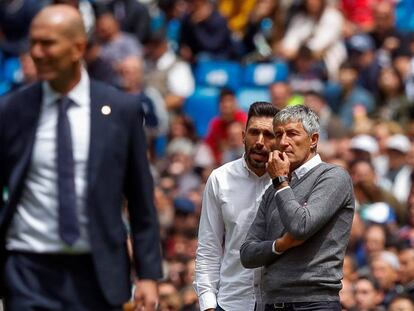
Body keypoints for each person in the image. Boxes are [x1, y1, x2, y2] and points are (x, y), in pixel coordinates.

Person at [0, 4, 162, 310]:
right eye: (32, 42)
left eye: (47, 43)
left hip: (98, 273)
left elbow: (141, 199)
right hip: (27, 271)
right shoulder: (11, 110)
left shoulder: (121, 110)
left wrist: (149, 275)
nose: (36, 52)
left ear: (78, 48)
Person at [240, 105, 355, 310]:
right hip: (272, 302)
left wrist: (281, 183)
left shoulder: (333, 177)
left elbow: (301, 225)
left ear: (313, 140)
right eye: (278, 135)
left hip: (314, 302)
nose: (283, 142)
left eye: (292, 134)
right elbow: (247, 253)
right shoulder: (274, 188)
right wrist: (280, 245)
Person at [194, 102, 281, 311]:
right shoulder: (220, 179)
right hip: (231, 302)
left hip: (279, 302)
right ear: (243, 136)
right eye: (254, 132)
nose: (259, 142)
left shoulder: (293, 181)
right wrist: (208, 305)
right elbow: (209, 246)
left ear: (280, 140)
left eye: (268, 135)